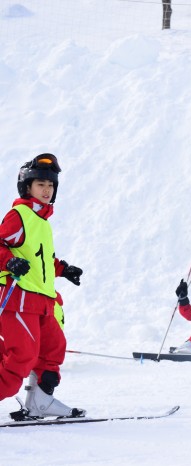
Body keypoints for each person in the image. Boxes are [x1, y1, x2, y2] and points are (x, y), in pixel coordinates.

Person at [0, 154, 84, 419]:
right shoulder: (19, 215)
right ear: (27, 187)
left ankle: (40, 402)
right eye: (40, 185)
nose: (47, 190)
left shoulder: (42, 222)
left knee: (53, 349)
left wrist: (63, 269)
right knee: (21, 358)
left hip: (42, 302)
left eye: (50, 186)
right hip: (18, 300)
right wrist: (9, 261)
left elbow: (40, 259)